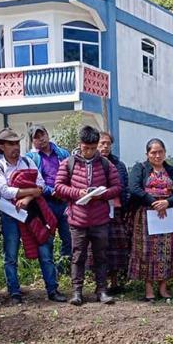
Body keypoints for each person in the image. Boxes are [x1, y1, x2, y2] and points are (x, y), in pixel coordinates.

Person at [0, 128, 66, 305]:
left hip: (32, 212)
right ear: (2, 147)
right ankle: (14, 293)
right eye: (11, 144)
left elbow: (40, 185)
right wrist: (32, 191)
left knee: (45, 251)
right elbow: (5, 191)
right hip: (10, 215)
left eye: (17, 143)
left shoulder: (27, 162)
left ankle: (52, 289)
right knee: (11, 255)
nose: (15, 147)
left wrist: (28, 197)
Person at [54, 125, 121, 306]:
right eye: (86, 148)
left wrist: (102, 194)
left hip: (100, 219)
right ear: (80, 144)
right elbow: (58, 186)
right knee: (78, 256)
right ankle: (77, 292)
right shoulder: (68, 163)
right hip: (78, 219)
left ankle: (102, 290)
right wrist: (78, 192)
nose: (90, 151)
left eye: (93, 148)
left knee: (101, 255)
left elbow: (117, 187)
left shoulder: (107, 165)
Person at [127, 138, 173, 301]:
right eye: (153, 152)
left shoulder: (172, 171)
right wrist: (154, 203)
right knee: (147, 253)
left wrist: (167, 202)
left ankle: (163, 287)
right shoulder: (139, 169)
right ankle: (148, 289)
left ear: (164, 153)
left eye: (160, 151)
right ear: (147, 154)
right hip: (146, 217)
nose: (157, 155)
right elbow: (134, 189)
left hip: (168, 217)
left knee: (167, 252)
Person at [26, 124, 72, 274]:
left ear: (47, 134)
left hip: (64, 201)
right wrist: (51, 191)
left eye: (43, 134)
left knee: (69, 237)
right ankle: (50, 272)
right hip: (45, 203)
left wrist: (64, 191)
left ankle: (64, 270)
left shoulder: (63, 153)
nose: (41, 139)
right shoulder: (30, 158)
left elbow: (72, 175)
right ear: (32, 141)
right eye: (36, 137)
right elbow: (32, 181)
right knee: (47, 238)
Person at [93, 131, 131, 293]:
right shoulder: (90, 163)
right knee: (98, 248)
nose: (105, 146)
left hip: (115, 211)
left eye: (108, 143)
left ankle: (114, 282)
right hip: (96, 212)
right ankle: (100, 284)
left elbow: (125, 189)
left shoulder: (119, 165)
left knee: (116, 248)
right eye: (102, 143)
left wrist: (124, 208)